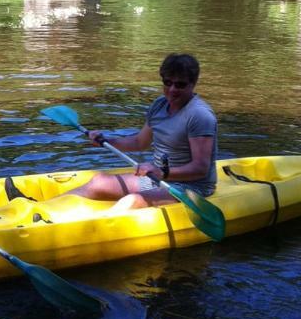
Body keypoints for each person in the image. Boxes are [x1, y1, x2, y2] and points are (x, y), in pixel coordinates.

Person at [67, 53, 217, 210]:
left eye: (180, 85)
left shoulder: (200, 115)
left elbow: (200, 168)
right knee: (98, 182)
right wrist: (106, 141)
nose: (172, 89)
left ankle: (95, 230)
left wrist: (162, 172)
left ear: (192, 84)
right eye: (168, 82)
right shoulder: (160, 105)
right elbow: (139, 142)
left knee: (132, 201)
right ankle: (43, 212)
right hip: (155, 179)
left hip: (192, 187)